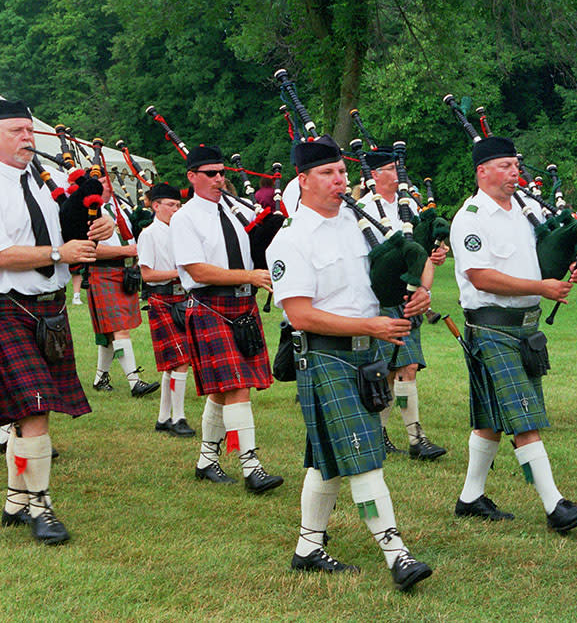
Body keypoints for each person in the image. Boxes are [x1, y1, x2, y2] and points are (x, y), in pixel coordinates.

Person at [266, 135, 432, 590]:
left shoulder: (355, 224)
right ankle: (397, 554)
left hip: (366, 354)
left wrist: (417, 292)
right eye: (327, 173)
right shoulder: (290, 240)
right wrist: (373, 327)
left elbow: (393, 274)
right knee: (363, 454)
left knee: (330, 460)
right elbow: (299, 313)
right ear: (303, 180)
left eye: (341, 172)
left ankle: (307, 547)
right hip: (324, 355)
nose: (339, 180)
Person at [450, 135, 577, 533]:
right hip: (492, 326)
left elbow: (546, 256)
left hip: (526, 329)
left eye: (516, 166)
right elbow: (480, 276)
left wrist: (571, 268)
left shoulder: (527, 209)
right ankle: (555, 506)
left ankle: (470, 498)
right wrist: (540, 288)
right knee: (523, 416)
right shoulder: (470, 218)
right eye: (505, 166)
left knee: (492, 420)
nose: (515, 172)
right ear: (483, 172)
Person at [0, 99, 114, 544]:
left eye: (29, 130)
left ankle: (15, 498)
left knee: (25, 410)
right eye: (16, 132)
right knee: (34, 405)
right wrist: (55, 254)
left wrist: (97, 225)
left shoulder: (44, 183)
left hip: (51, 304)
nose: (27, 137)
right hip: (7, 305)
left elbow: (70, 232)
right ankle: (41, 506)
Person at [170, 144, 282, 494]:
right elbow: (197, 269)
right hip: (210, 305)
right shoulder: (184, 218)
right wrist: (249, 277)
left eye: (222, 173)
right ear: (192, 177)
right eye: (211, 174)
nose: (219, 179)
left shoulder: (233, 212)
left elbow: (252, 253)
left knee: (223, 391)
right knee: (237, 386)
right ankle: (251, 465)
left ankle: (206, 460)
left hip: (242, 307)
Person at [357, 151, 448, 460]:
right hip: (381, 298)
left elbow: (422, 254)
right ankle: (383, 434)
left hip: (409, 297)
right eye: (389, 169)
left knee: (407, 367)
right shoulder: (364, 211)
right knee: (388, 370)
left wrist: (425, 287)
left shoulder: (408, 208)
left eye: (397, 168)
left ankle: (414, 438)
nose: (397, 173)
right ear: (373, 175)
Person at [88, 168, 159, 397]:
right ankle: (134, 382)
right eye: (101, 181)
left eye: (106, 181)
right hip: (103, 273)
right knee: (119, 328)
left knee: (110, 332)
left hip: (123, 273)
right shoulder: (89, 213)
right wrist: (127, 249)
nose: (107, 185)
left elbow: (129, 235)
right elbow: (91, 250)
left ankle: (100, 378)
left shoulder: (119, 209)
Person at [137, 182, 194, 437]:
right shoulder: (148, 234)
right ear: (156, 205)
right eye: (170, 205)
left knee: (175, 362)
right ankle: (178, 417)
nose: (175, 209)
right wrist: (180, 272)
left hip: (182, 300)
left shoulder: (182, 232)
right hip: (162, 299)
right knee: (181, 360)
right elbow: (147, 275)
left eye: (178, 205)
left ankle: (163, 418)